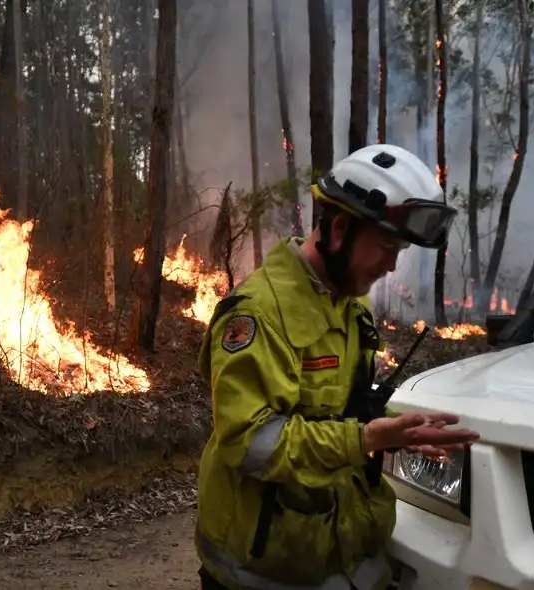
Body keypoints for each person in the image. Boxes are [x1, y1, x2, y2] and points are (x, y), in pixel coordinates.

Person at [194, 144, 481, 590]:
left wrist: (391, 428)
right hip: (261, 571)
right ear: (340, 228)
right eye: (387, 246)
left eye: (400, 251)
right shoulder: (258, 313)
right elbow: (249, 443)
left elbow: (340, 410)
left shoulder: (352, 308)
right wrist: (367, 438)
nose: (391, 265)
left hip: (338, 558)